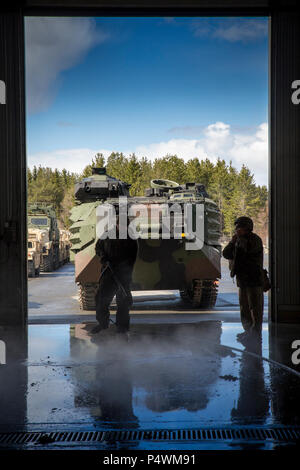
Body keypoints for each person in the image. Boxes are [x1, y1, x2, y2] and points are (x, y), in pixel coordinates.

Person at [91, 218, 138, 336]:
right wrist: (104, 258)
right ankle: (103, 324)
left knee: (123, 302)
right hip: (108, 273)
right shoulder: (107, 235)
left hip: (123, 275)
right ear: (116, 224)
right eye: (120, 225)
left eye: (125, 226)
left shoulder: (131, 238)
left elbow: (132, 258)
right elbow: (98, 248)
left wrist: (123, 269)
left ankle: (122, 327)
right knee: (101, 300)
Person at [222, 216, 264, 339]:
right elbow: (226, 254)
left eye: (239, 227)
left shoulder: (255, 240)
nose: (237, 229)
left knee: (255, 308)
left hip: (253, 279)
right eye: (236, 227)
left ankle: (256, 333)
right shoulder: (237, 240)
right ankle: (247, 331)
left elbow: (246, 252)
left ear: (247, 228)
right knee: (244, 308)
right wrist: (232, 242)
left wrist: (239, 241)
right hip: (242, 280)